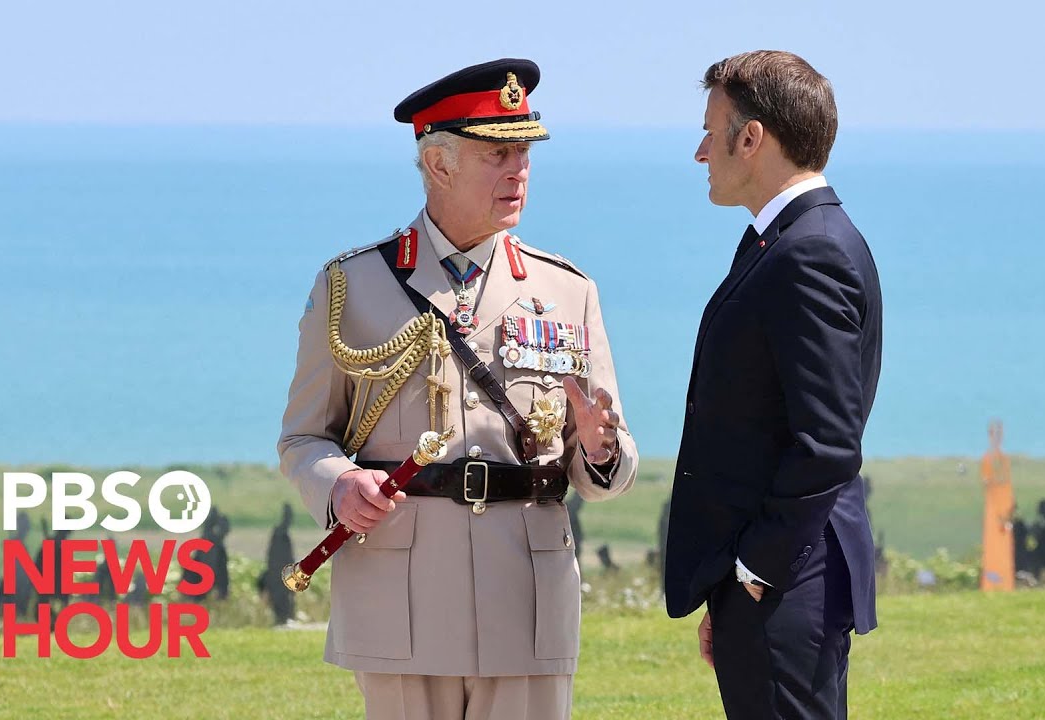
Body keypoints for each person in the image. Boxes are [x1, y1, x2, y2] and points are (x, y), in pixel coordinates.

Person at [278, 58, 637, 720]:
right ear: (438, 164)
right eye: (498, 153)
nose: (519, 170)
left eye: (525, 152)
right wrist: (338, 483)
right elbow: (304, 438)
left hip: (525, 603)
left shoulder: (567, 290)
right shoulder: (352, 286)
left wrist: (601, 450)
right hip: (400, 600)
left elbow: (604, 465)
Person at [664, 50, 882, 720]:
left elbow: (828, 443)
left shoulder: (809, 250)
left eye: (711, 131)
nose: (701, 151)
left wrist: (756, 571)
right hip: (780, 579)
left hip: (789, 579)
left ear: (751, 139)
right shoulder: (786, 239)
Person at [980, 420, 1015, 591]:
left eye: (999, 433)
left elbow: (1006, 483)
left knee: (1004, 545)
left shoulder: (1004, 459)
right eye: (994, 433)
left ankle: (1005, 582)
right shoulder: (987, 459)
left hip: (1004, 505)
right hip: (993, 507)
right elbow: (987, 481)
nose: (997, 437)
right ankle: (992, 581)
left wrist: (1007, 510)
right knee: (993, 545)